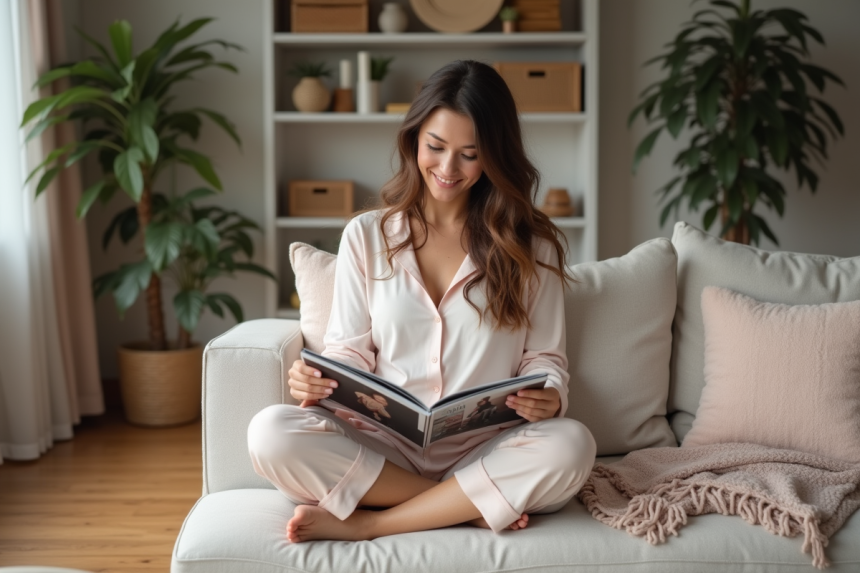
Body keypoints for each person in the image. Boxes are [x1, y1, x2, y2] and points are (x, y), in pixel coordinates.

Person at [247, 60, 596, 543]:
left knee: (572, 446)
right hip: (382, 445)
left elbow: (545, 358)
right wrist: (321, 377)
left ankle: (374, 522)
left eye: (470, 155)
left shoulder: (530, 247)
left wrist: (550, 395)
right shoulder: (367, 236)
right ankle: (465, 505)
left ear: (495, 156)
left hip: (485, 447)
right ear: (414, 140)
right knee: (270, 432)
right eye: (436, 147)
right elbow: (348, 350)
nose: (448, 169)